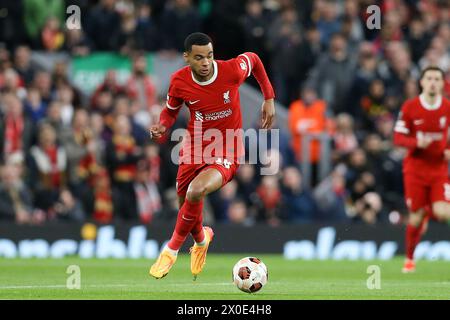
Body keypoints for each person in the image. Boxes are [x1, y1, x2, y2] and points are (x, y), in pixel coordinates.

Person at [149, 32, 275, 279]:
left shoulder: (231, 71)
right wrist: (163, 126)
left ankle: (171, 250)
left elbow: (255, 60)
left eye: (209, 56)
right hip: (194, 147)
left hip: (228, 147)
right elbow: (170, 111)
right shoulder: (179, 82)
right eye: (199, 58)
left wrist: (269, 97)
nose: (206, 62)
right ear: (187, 58)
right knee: (186, 203)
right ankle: (201, 239)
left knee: (195, 192)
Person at [393, 66, 450, 273]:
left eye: (437, 78)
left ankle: (429, 209)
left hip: (438, 170)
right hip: (415, 169)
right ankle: (409, 259)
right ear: (422, 82)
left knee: (443, 212)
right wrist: (417, 142)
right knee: (415, 218)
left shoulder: (447, 107)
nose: (433, 82)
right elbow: (397, 137)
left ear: (443, 83)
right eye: (429, 78)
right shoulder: (410, 107)